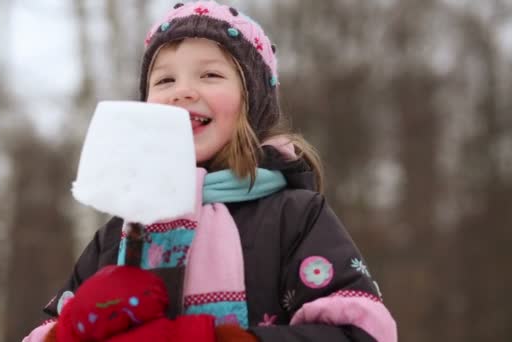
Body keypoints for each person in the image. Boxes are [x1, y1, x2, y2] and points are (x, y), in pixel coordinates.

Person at [25, 1, 397, 341]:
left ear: (251, 105)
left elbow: (362, 332)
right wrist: (67, 333)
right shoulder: (122, 235)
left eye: (210, 75)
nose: (182, 91)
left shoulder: (295, 216)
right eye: (165, 80)